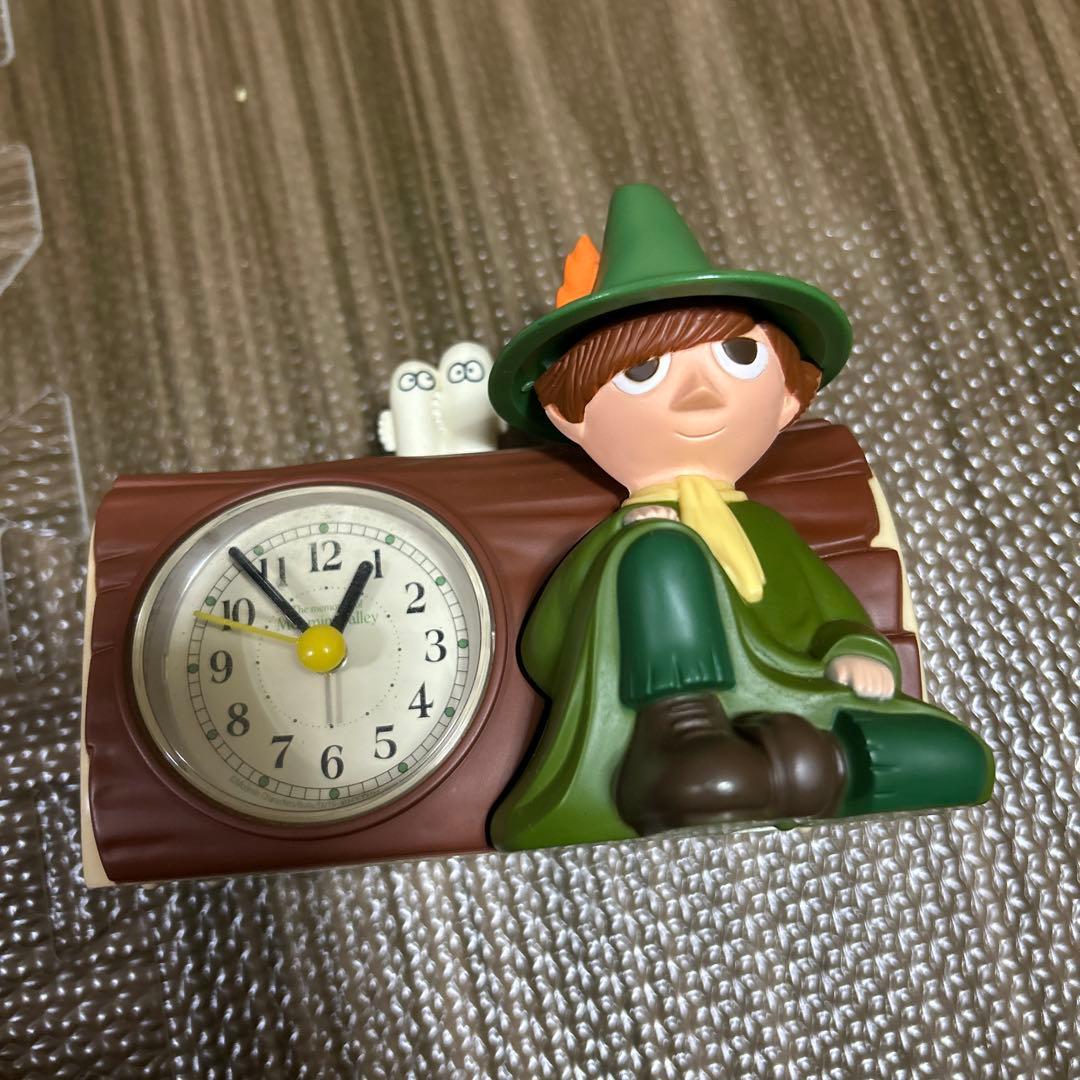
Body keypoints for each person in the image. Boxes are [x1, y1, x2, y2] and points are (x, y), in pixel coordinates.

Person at [487, 184, 993, 851]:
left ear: (788, 400)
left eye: (739, 356)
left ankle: (786, 770)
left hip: (787, 696)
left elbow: (833, 615)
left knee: (956, 756)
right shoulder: (623, 546)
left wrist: (855, 650)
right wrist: (623, 575)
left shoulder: (769, 533)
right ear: (569, 417)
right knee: (662, 552)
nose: (700, 394)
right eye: (645, 369)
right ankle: (680, 733)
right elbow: (545, 653)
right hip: (640, 724)